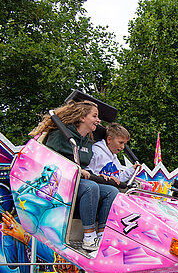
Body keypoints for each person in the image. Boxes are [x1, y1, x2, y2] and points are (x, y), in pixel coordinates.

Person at [29, 100, 119, 252]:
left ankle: (102, 234)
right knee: (91, 188)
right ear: (82, 117)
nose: (98, 120)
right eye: (95, 116)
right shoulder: (61, 134)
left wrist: (103, 176)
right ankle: (89, 238)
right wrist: (74, 168)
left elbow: (87, 167)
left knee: (111, 192)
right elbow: (50, 160)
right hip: (58, 181)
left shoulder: (87, 141)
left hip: (77, 180)